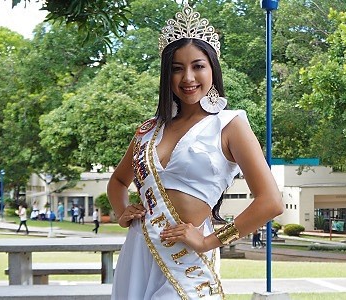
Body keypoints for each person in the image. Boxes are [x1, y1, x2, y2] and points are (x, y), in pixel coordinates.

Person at [107, 3, 283, 299]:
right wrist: (122, 211)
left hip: (187, 261)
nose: (188, 77)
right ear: (167, 75)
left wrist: (209, 241)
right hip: (139, 251)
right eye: (177, 69)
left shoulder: (230, 124)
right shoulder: (149, 130)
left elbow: (271, 202)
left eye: (198, 66)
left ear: (212, 68)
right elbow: (118, 182)